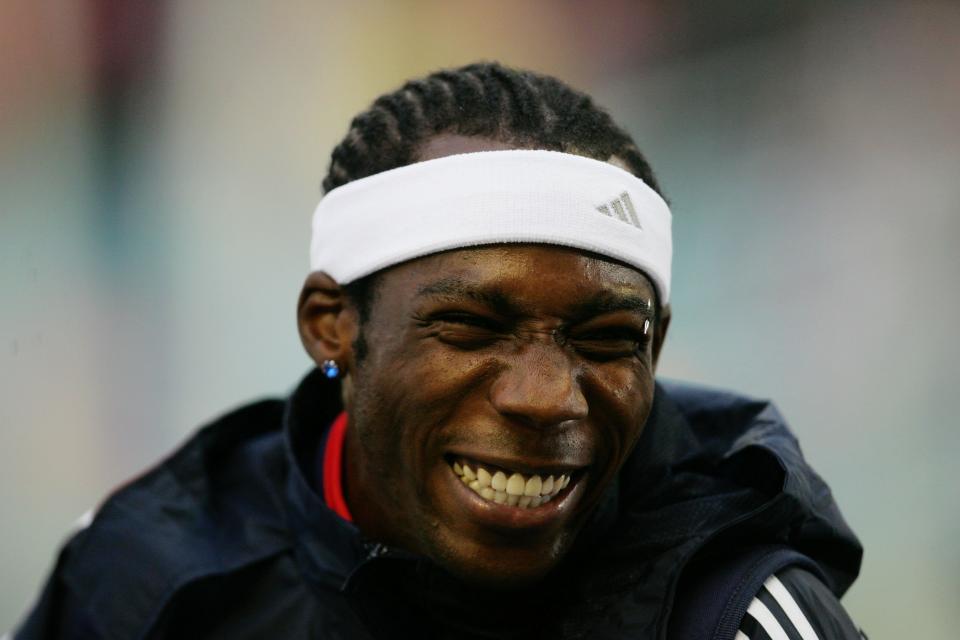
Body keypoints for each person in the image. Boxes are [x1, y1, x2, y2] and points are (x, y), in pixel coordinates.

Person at [13, 63, 865, 639]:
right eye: (470, 327)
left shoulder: (737, 614)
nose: (547, 398)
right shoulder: (152, 579)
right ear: (331, 326)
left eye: (607, 340)